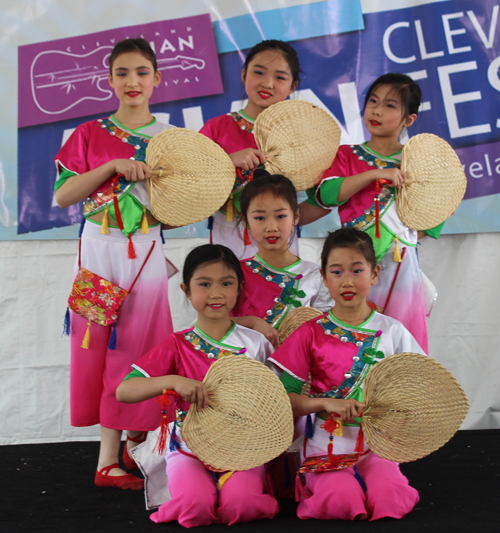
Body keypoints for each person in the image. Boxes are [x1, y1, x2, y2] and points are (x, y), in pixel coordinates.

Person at [54, 38, 176, 489]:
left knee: (142, 352)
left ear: (157, 79)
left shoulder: (171, 138)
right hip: (98, 250)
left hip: (145, 248)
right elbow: (64, 195)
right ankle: (107, 459)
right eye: (122, 73)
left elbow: (186, 206)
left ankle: (134, 445)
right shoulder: (88, 133)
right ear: (109, 80)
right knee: (96, 349)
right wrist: (111, 168)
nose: (133, 81)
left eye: (142, 72)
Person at [116, 244, 279, 527]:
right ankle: (195, 494)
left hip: (243, 449)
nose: (216, 293)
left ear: (239, 288)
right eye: (204, 284)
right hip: (188, 448)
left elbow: (276, 398)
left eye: (226, 283)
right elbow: (124, 391)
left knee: (240, 507)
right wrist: (172, 381)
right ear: (186, 290)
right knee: (195, 508)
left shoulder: (256, 344)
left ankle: (242, 494)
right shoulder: (176, 344)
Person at [269, 228, 424, 521]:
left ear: (375, 273)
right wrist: (325, 404)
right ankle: (321, 486)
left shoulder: (393, 331)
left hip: (377, 446)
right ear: (325, 278)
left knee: (389, 499)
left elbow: (418, 387)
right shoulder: (309, 333)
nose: (348, 281)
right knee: (342, 501)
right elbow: (285, 400)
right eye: (337, 272)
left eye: (357, 270)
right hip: (325, 447)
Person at [299, 73, 445, 354]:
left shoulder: (417, 161)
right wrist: (373, 174)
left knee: (402, 343)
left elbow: (436, 214)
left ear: (409, 119)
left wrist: (401, 238)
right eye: (373, 102)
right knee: (350, 340)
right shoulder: (346, 155)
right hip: (352, 264)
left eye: (390, 106)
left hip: (401, 265)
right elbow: (326, 194)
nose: (377, 110)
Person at [200, 39, 301, 258]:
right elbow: (188, 181)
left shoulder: (300, 137)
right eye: (259, 72)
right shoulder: (216, 128)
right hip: (228, 233)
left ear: (293, 86)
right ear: (244, 75)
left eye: (280, 77)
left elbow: (315, 195)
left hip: (280, 236)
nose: (268, 83)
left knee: (278, 291)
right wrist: (227, 162)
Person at [230, 171, 333, 344]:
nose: (271, 227)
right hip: (242, 368)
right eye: (260, 217)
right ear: (246, 221)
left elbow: (325, 335)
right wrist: (252, 322)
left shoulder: (316, 275)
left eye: (280, 216)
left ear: (296, 216)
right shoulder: (233, 273)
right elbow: (212, 324)